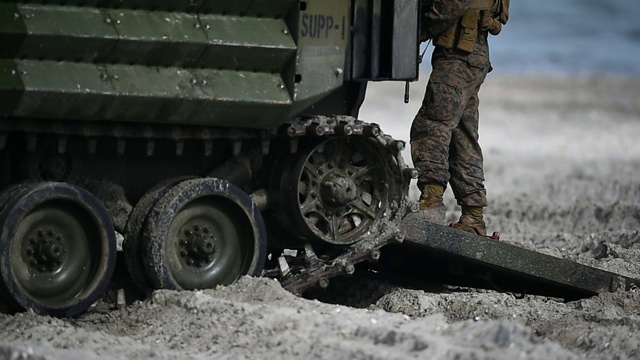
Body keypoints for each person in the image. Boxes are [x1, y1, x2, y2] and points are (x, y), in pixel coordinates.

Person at [406, 0, 509, 235]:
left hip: (458, 56)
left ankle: (431, 201)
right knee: (462, 137)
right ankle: (473, 216)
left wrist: (416, 31)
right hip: (473, 55)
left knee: (432, 125)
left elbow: (450, 5)